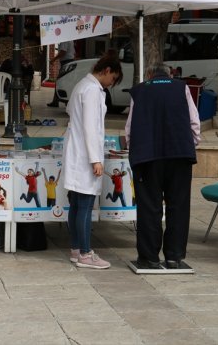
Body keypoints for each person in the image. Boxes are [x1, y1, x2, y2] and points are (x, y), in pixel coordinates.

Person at [125, 62, 201, 272]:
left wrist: (134, 152)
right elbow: (194, 122)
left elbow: (130, 128)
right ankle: (174, 257)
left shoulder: (139, 91)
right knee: (179, 206)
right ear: (170, 74)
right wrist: (190, 144)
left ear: (149, 74)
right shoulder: (182, 87)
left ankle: (149, 258)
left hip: (147, 157)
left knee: (150, 207)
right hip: (180, 154)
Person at [62, 51, 122, 269]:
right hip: (85, 154)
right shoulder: (92, 90)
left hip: (78, 151)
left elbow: (73, 114)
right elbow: (90, 127)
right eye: (113, 79)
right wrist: (96, 160)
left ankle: (77, 248)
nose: (111, 84)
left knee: (77, 205)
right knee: (85, 205)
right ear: (106, 71)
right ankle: (86, 253)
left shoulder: (82, 86)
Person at [47, 40, 75, 107]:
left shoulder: (65, 40)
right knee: (64, 81)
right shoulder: (71, 39)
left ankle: (64, 101)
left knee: (62, 81)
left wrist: (53, 59)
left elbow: (63, 52)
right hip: (69, 61)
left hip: (66, 62)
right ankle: (56, 101)